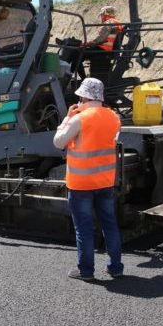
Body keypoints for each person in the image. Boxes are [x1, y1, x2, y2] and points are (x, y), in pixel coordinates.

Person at [53, 78, 123, 280]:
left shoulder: (79, 119)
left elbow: (59, 142)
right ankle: (115, 268)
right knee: (110, 224)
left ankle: (86, 271)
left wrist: (67, 118)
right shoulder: (114, 117)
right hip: (105, 181)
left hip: (81, 184)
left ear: (83, 96)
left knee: (84, 229)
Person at [78, 6, 124, 82]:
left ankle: (83, 79)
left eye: (101, 15)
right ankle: (83, 78)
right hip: (104, 49)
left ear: (105, 14)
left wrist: (87, 43)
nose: (101, 17)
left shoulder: (110, 22)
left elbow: (100, 38)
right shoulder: (115, 22)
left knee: (77, 54)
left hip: (103, 50)